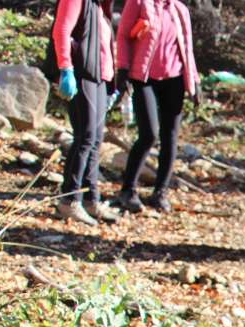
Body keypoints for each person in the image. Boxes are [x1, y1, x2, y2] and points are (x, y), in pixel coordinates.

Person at [115, 0, 200, 214]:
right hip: (144, 78)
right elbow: (123, 36)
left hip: (174, 79)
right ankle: (127, 190)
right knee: (149, 134)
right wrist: (123, 69)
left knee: (170, 136)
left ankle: (160, 192)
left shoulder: (179, 10)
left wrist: (195, 82)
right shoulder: (139, 3)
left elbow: (187, 47)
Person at [51, 0, 120, 225]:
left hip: (100, 77)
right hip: (82, 73)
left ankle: (91, 199)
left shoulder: (100, 6)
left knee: (95, 140)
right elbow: (61, 30)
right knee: (85, 137)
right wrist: (66, 69)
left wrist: (113, 82)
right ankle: (69, 200)